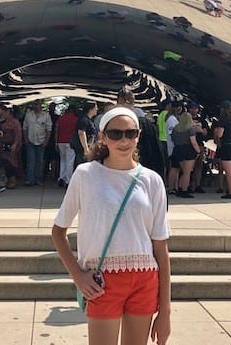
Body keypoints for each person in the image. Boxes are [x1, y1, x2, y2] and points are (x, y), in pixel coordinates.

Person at [52, 107, 171, 345]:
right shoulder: (85, 175)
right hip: (103, 280)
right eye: (116, 134)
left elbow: (160, 247)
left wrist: (165, 312)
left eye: (130, 133)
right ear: (103, 136)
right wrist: (78, 276)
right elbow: (58, 231)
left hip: (145, 278)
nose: (124, 140)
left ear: (138, 135)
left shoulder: (152, 180)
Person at [214, 100, 231, 199]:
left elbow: (220, 134)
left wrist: (217, 134)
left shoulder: (223, 121)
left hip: (226, 146)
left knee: (228, 171)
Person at [170, 112, 201, 198]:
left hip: (178, 149)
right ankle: (184, 190)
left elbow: (173, 139)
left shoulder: (175, 129)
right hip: (188, 150)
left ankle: (180, 189)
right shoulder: (190, 128)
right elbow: (193, 142)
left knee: (183, 171)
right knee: (187, 172)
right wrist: (198, 151)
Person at [22, 101, 53, 186]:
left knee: (39, 161)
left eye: (37, 104)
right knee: (30, 161)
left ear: (41, 106)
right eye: (34, 104)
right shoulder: (28, 115)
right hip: (30, 140)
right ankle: (30, 179)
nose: (36, 106)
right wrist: (25, 139)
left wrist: (46, 141)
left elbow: (48, 129)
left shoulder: (46, 115)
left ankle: (38, 179)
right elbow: (25, 128)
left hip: (41, 141)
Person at [0, 105, 22, 189]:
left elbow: (18, 134)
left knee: (11, 162)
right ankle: (8, 179)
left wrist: (15, 144)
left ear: (8, 112)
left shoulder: (15, 122)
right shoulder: (2, 122)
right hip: (3, 144)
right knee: (4, 162)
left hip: (12, 144)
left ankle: (13, 180)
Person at [70, 101, 98, 171]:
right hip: (82, 149)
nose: (97, 109)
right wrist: (86, 149)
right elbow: (81, 133)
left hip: (85, 148)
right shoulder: (84, 119)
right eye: (96, 107)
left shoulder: (87, 119)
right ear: (91, 108)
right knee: (83, 166)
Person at [55, 105, 78, 187]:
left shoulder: (61, 119)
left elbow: (57, 130)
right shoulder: (75, 120)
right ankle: (68, 180)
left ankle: (61, 177)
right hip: (70, 142)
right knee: (70, 161)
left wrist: (56, 142)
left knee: (63, 160)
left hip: (61, 141)